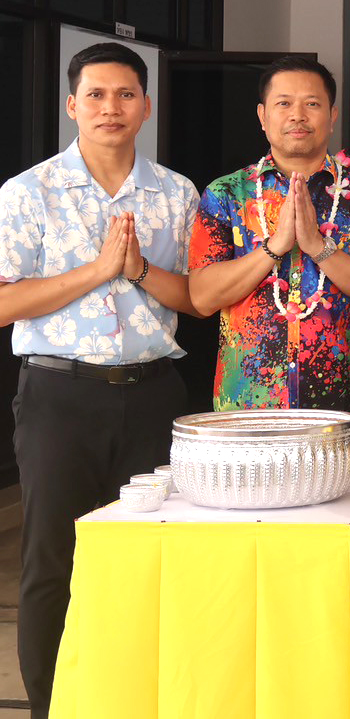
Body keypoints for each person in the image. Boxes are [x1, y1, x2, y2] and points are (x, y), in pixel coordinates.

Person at [0, 43, 200, 718]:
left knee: (149, 558)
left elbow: (194, 297)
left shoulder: (176, 193)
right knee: (52, 561)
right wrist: (97, 270)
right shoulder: (27, 192)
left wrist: (137, 268)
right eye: (95, 94)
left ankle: (136, 701)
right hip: (60, 397)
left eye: (125, 94)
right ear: (71, 104)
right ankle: (50, 706)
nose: (110, 107)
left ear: (146, 106)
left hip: (153, 395)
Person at [187, 57, 350, 466]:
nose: (298, 115)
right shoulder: (226, 195)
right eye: (284, 103)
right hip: (246, 406)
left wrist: (317, 246)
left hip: (340, 407)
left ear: (332, 116)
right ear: (263, 116)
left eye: (312, 104)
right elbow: (203, 297)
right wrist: (273, 247)